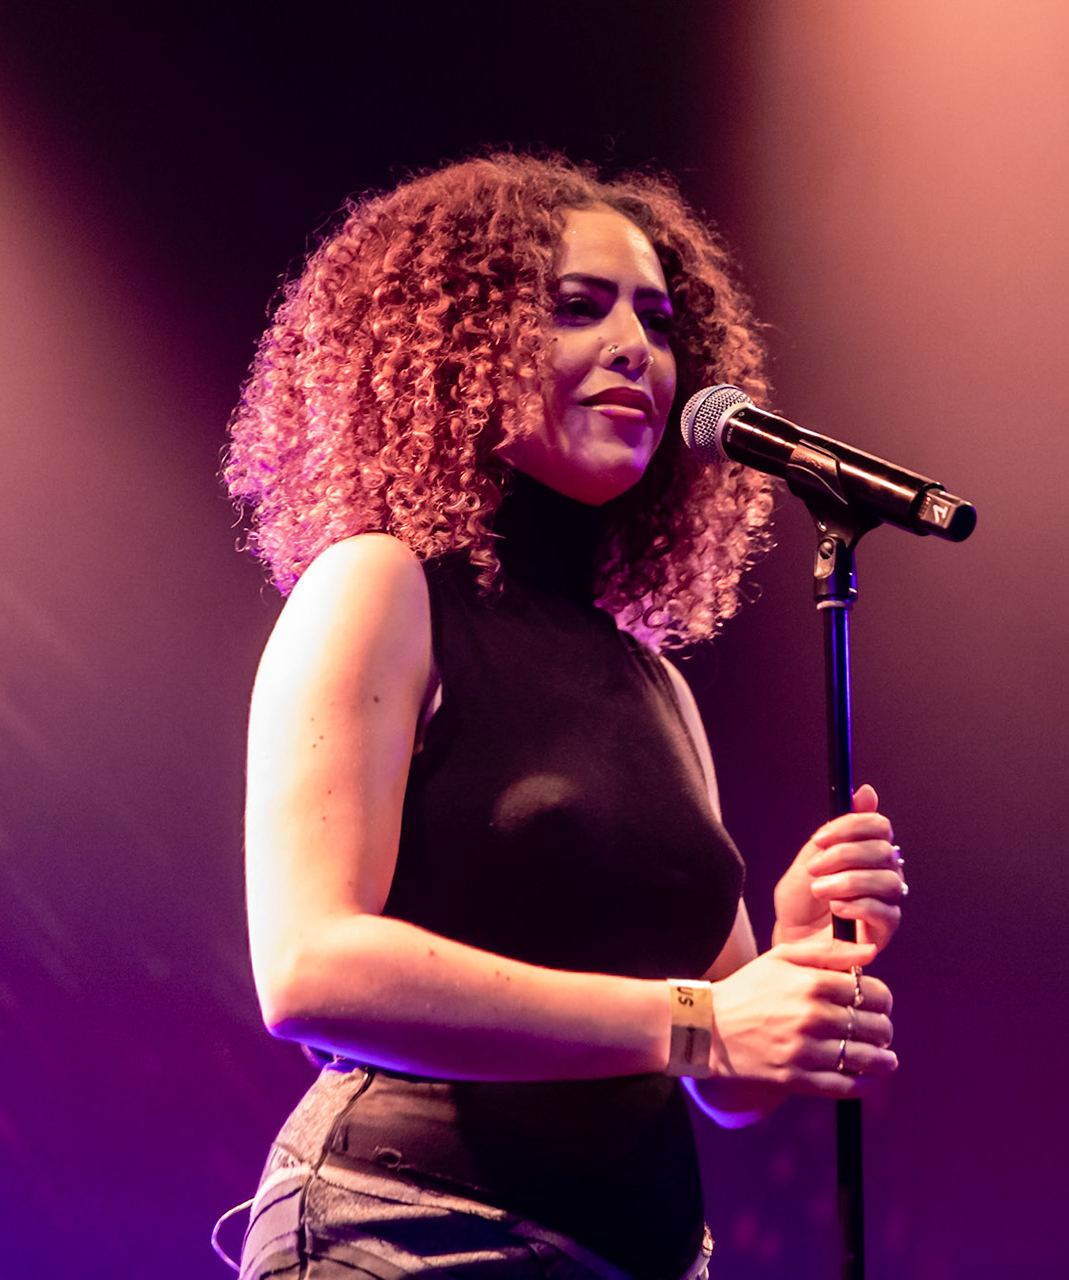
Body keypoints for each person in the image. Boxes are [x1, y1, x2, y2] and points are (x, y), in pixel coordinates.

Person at [223, 153, 907, 1280]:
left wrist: (791, 952)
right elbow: (309, 968)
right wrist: (704, 1017)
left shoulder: (654, 684)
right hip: (409, 1237)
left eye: (657, 318)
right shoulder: (380, 587)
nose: (636, 348)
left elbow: (723, 1078)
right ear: (459, 351)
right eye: (577, 308)